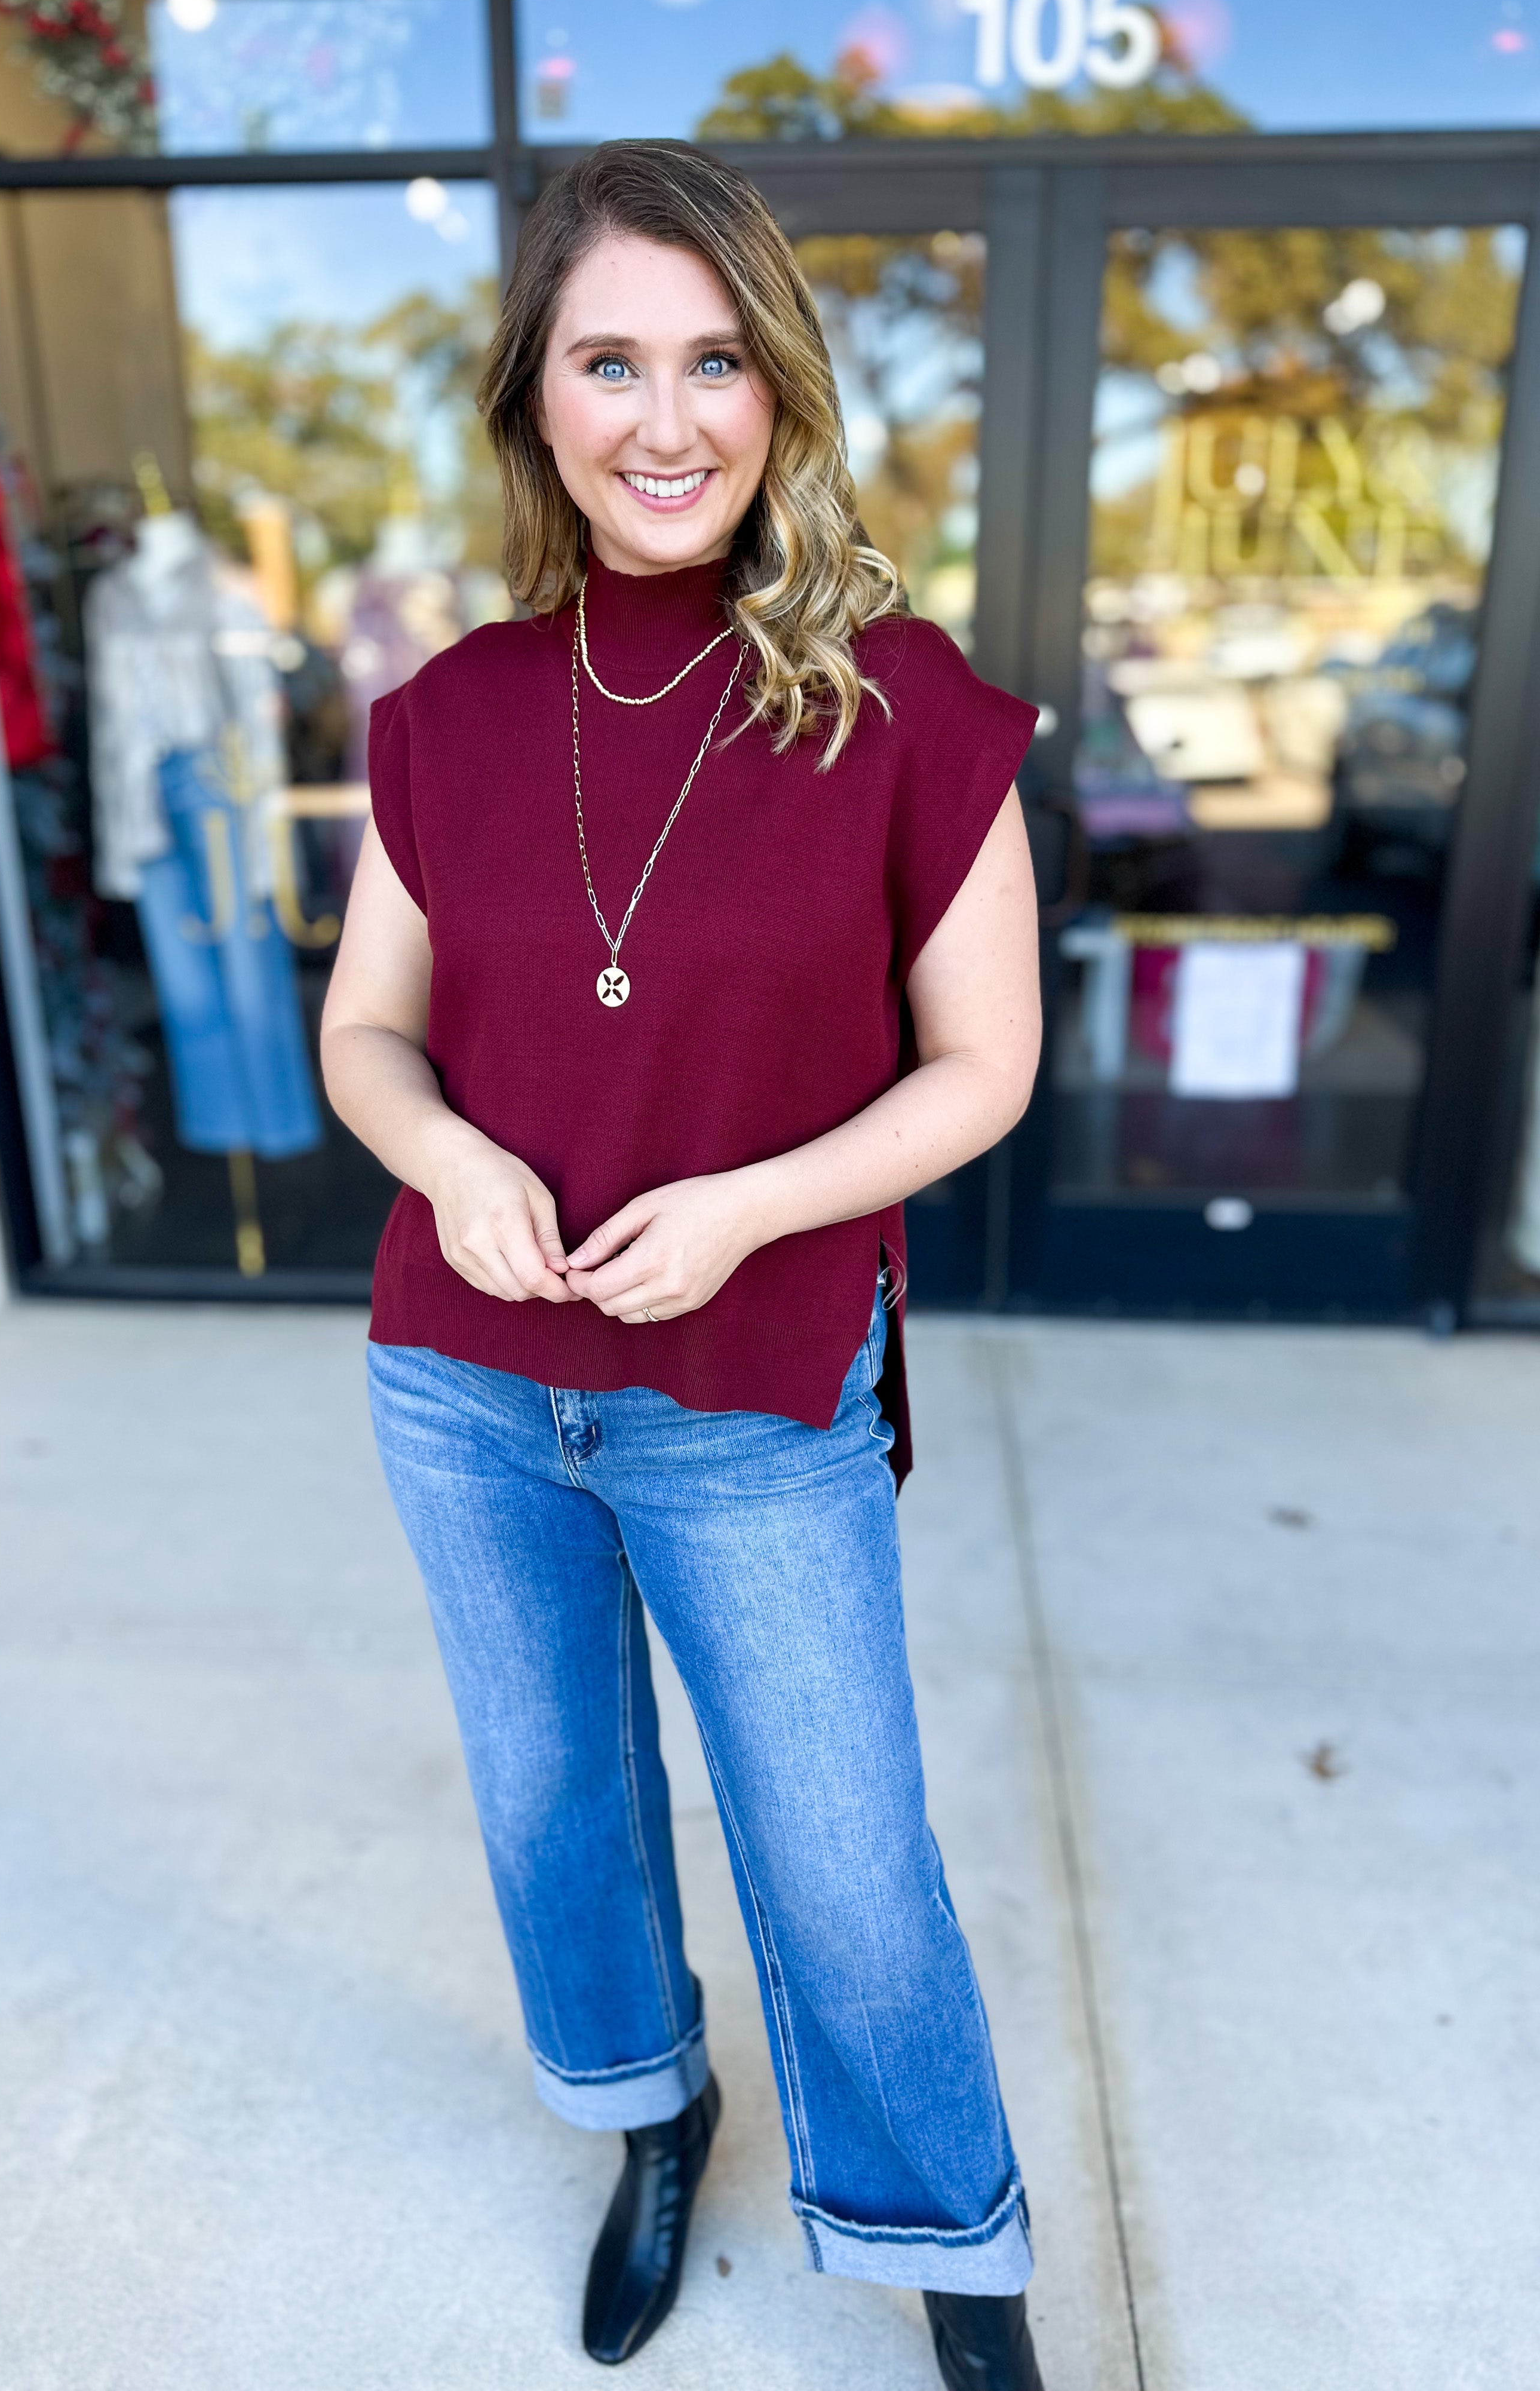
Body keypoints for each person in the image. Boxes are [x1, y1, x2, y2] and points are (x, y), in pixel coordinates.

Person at [321, 138, 1045, 2391]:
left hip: (755, 1392)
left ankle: (963, 2262)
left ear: (782, 390)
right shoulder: (448, 712)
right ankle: (658, 2119)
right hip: (465, 1384)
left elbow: (987, 1067)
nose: (666, 420)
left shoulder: (900, 701)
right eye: (609, 362)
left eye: (716, 362)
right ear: (534, 401)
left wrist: (748, 1206)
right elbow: (364, 1035)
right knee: (561, 1819)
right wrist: (445, 1153)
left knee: (845, 1865)